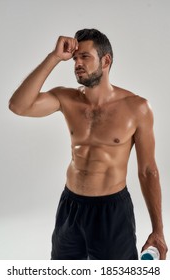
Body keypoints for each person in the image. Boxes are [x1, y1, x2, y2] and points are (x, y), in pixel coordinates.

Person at [9, 28, 167, 260]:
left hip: (111, 211)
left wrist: (158, 230)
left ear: (106, 60)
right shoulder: (66, 98)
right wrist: (54, 57)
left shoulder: (137, 107)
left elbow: (147, 171)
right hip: (70, 207)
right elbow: (18, 106)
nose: (77, 63)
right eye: (74, 58)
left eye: (85, 57)